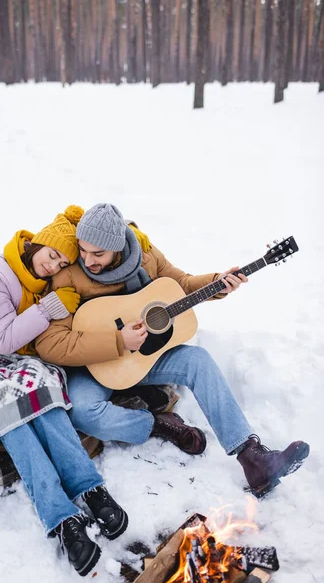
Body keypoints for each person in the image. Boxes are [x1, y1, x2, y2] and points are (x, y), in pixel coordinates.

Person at [35, 203, 310, 499]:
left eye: (98, 254)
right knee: (84, 412)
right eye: (83, 250)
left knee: (197, 360)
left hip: (141, 359)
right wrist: (117, 342)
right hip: (93, 366)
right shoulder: (69, 276)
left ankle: (253, 459)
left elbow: (179, 284)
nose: (87, 260)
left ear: (117, 248)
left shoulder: (145, 254)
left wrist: (218, 283)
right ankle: (156, 425)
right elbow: (50, 343)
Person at [0, 206, 128, 576]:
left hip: (25, 365)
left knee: (48, 404)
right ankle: (62, 520)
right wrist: (50, 308)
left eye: (62, 263)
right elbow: (3, 341)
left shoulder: (44, 277)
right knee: (15, 422)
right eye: (52, 255)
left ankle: (89, 488)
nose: (54, 266)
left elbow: (100, 232)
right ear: (36, 243)